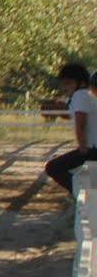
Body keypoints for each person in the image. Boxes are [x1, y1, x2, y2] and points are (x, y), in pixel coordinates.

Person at [44, 62, 97, 193]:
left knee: (53, 168)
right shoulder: (82, 95)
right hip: (91, 147)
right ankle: (83, 194)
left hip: (91, 148)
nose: (64, 87)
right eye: (64, 83)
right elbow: (71, 114)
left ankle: (81, 194)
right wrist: (58, 109)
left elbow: (81, 123)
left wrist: (82, 147)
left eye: (68, 83)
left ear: (80, 82)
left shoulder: (80, 96)